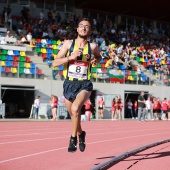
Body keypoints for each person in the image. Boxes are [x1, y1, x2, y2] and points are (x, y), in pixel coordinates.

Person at [52, 18, 101, 152]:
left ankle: (73, 139)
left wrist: (96, 60)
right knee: (74, 116)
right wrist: (70, 57)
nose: (84, 28)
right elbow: (54, 63)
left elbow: (99, 56)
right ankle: (81, 133)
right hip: (69, 83)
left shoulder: (93, 47)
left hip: (84, 84)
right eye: (81, 26)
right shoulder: (68, 44)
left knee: (75, 109)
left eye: (87, 27)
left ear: (90, 31)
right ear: (77, 29)